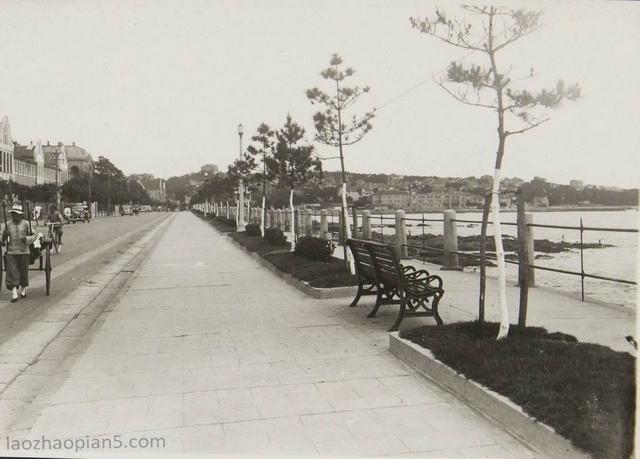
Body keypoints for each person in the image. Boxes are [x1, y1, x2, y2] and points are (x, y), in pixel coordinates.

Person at [3, 205, 38, 302]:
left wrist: (26, 239)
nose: (14, 216)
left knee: (23, 272)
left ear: (21, 215)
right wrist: (4, 236)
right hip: (11, 252)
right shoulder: (8, 224)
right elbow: (2, 240)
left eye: (16, 214)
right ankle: (14, 293)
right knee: (12, 272)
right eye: (13, 214)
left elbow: (34, 235)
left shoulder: (26, 224)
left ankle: (23, 290)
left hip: (24, 252)